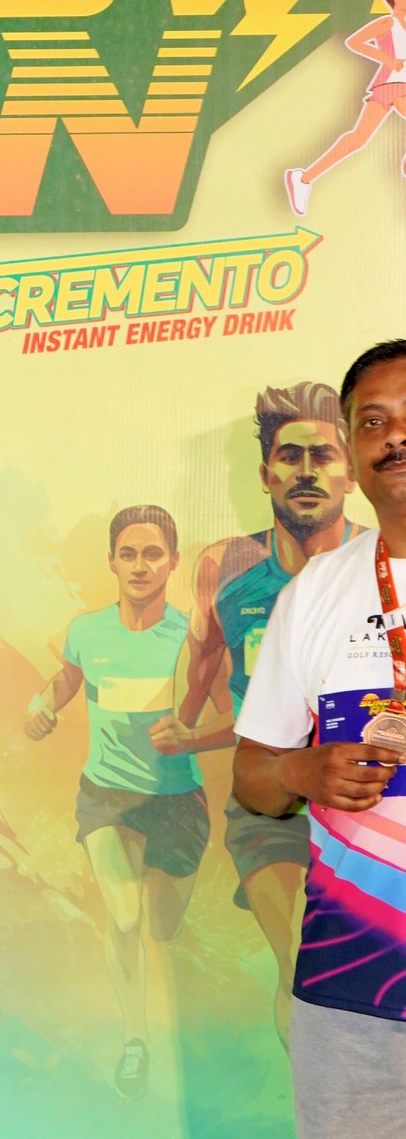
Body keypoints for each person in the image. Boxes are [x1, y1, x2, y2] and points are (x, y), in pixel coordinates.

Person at [179, 339, 406, 1139]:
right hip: (360, 962)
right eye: (372, 419)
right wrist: (313, 771)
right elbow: (256, 776)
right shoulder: (320, 591)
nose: (391, 436)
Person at [149, 384, 358, 1042]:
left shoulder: (386, 563)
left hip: (371, 802)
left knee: (360, 972)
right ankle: (317, 1102)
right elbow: (201, 661)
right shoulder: (228, 565)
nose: (306, 471)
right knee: (304, 962)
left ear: (351, 472)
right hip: (269, 798)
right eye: (290, 456)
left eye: (323, 455)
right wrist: (180, 729)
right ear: (266, 474)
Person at [24, 505, 207, 1099]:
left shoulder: (192, 635)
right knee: (125, 919)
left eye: (152, 553)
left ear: (172, 562)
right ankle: (135, 1041)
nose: (139, 565)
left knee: (162, 926)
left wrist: (196, 736)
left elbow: (232, 707)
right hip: (106, 795)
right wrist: (41, 704)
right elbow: (66, 680)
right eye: (128, 554)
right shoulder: (87, 630)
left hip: (176, 800)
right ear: (111, 562)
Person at [284, 0, 406, 216]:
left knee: (357, 139)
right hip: (390, 83)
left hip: (400, 84)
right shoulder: (387, 23)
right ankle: (302, 179)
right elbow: (354, 42)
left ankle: (304, 178)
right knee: (358, 139)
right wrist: (388, 60)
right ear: (395, 0)